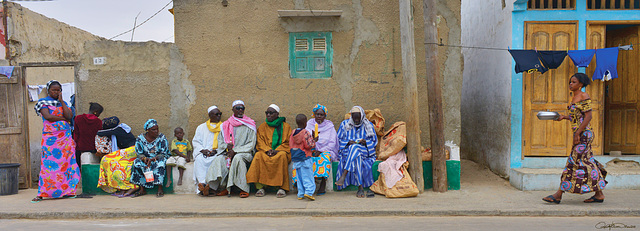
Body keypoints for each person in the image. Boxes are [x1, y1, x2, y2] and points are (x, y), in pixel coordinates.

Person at [543, 73, 607, 204]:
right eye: (570, 82)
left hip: (584, 134)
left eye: (573, 82)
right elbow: (578, 116)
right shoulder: (574, 96)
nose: (570, 84)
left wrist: (577, 133)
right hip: (580, 133)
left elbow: (588, 117)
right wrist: (564, 117)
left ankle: (558, 195)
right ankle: (599, 193)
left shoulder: (584, 96)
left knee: (573, 163)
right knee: (587, 162)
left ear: (581, 84)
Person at [31, 80, 80, 203]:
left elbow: (69, 116)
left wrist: (62, 101)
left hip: (65, 139)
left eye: (58, 90)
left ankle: (67, 191)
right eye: (54, 90)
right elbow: (48, 117)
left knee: (66, 164)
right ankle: (45, 192)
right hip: (51, 140)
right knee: (49, 166)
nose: (56, 92)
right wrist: (62, 118)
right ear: (48, 90)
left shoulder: (64, 103)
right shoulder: (43, 102)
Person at [246, 104, 292, 198]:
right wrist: (267, 150)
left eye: (271, 113)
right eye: (267, 113)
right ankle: (260, 187)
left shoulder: (286, 126)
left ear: (277, 114)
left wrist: (277, 150)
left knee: (282, 156)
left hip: (279, 151)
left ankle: (282, 188)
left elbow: (288, 142)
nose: (268, 115)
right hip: (266, 151)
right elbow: (260, 141)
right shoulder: (262, 126)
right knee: (259, 155)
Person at [292, 104, 338, 195]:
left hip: (326, 150)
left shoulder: (329, 126)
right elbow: (304, 139)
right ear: (314, 114)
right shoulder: (309, 124)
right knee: (307, 159)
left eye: (321, 115)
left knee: (324, 158)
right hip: (311, 148)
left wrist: (321, 151)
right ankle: (305, 184)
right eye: (317, 114)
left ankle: (322, 183)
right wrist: (313, 142)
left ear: (325, 116)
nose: (319, 116)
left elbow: (332, 143)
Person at [336, 106, 378, 198]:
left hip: (364, 151)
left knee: (355, 148)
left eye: (358, 119)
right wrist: (347, 142)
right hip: (348, 151)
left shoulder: (368, 125)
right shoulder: (345, 124)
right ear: (351, 117)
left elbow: (374, 141)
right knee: (355, 153)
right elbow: (338, 140)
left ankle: (344, 174)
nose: (356, 121)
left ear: (362, 117)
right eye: (354, 119)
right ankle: (360, 187)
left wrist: (365, 142)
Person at [219, 100, 257, 198]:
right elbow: (220, 141)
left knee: (238, 158)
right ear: (233, 109)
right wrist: (226, 147)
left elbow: (251, 144)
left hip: (245, 153)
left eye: (242, 108)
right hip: (229, 152)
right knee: (219, 159)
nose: (240, 110)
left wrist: (236, 151)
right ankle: (217, 187)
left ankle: (243, 188)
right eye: (238, 108)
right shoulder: (226, 124)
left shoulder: (250, 124)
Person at [95, 117, 139, 197]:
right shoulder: (119, 129)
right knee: (116, 164)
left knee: (106, 158)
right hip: (128, 152)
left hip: (132, 150)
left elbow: (99, 133)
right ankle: (122, 187)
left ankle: (127, 187)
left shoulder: (119, 129)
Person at [192, 106, 228, 196]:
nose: (219, 116)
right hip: (204, 153)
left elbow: (226, 141)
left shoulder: (224, 127)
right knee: (200, 160)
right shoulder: (201, 127)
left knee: (216, 160)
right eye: (216, 114)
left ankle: (211, 187)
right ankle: (203, 185)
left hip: (217, 153)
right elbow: (196, 141)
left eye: (220, 114)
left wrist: (217, 150)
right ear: (210, 115)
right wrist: (203, 150)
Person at [130, 119, 170, 197]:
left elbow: (164, 153)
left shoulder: (162, 137)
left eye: (157, 129)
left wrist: (153, 159)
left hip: (158, 158)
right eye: (153, 129)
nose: (156, 131)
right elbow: (139, 153)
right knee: (137, 163)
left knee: (161, 163)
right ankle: (142, 189)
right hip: (146, 159)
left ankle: (160, 188)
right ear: (148, 130)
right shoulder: (140, 138)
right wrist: (144, 159)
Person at [290, 114, 318, 201]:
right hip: (305, 157)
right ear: (305, 123)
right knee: (308, 176)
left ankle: (300, 193)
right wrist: (315, 139)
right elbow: (309, 145)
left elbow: (290, 144)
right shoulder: (306, 132)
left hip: (296, 157)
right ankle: (309, 192)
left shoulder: (293, 132)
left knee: (299, 176)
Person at [73, 102, 103, 172]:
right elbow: (99, 136)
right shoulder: (98, 122)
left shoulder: (78, 118)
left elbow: (76, 134)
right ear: (96, 112)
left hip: (80, 149)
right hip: (93, 149)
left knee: (82, 170)